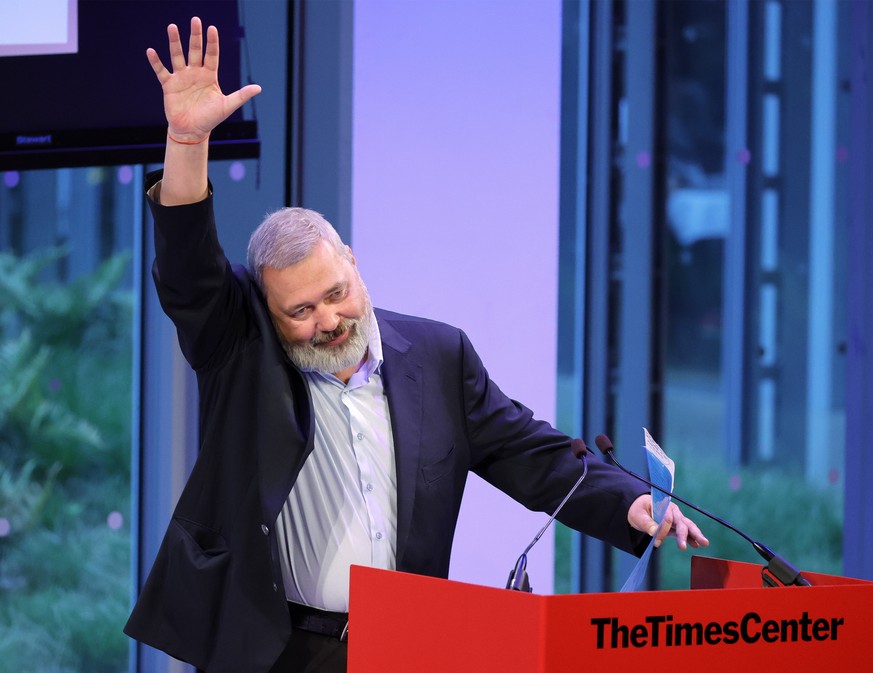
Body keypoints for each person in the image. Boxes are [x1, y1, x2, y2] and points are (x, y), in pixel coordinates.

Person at [124, 17, 708, 673]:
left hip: (403, 645)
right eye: (301, 310)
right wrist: (187, 138)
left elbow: (529, 452)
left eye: (336, 292)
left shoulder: (437, 355)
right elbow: (188, 271)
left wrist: (626, 501)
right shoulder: (240, 347)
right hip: (273, 650)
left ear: (351, 259)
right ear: (266, 309)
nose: (327, 319)